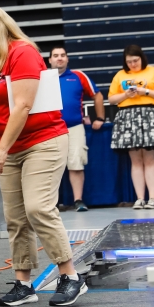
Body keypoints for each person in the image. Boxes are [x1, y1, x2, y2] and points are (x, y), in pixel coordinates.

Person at [0, 5, 86, 307]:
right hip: (11, 147)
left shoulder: (23, 53)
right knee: (16, 218)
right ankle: (23, 284)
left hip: (43, 141)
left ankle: (71, 276)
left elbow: (22, 106)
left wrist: (1, 149)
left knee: (38, 208)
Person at [107, 45, 154, 209]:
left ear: (142, 58)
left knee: (150, 159)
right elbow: (112, 99)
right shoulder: (120, 75)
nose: (133, 64)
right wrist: (126, 95)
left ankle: (153, 198)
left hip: (150, 114)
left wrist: (146, 92)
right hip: (128, 116)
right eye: (129, 62)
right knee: (135, 160)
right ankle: (140, 198)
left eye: (135, 60)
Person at [48, 47, 106, 212]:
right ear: (50, 60)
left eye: (62, 55)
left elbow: (97, 95)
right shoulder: (42, 78)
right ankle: (51, 203)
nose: (59, 58)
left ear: (67, 59)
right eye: (55, 56)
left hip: (75, 127)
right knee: (49, 166)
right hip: (50, 129)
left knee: (76, 163)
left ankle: (78, 200)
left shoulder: (78, 76)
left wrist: (100, 118)